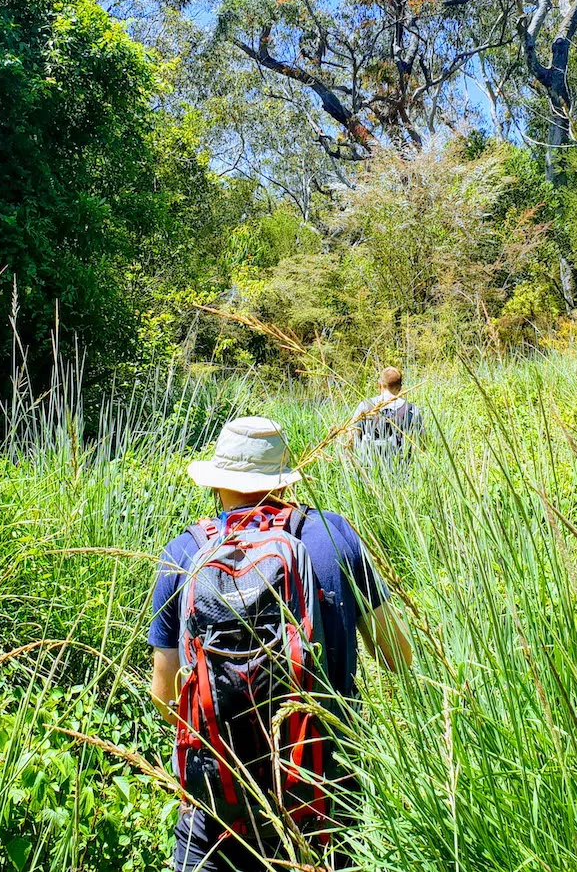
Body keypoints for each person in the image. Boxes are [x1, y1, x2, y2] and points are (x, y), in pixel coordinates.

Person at [149, 416, 412, 872]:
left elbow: (165, 694)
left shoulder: (183, 553)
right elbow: (396, 657)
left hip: (214, 805)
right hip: (320, 793)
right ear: (283, 479)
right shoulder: (334, 536)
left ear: (218, 482)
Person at [347, 366, 422, 463]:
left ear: (379, 385)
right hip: (400, 470)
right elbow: (420, 444)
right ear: (399, 388)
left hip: (368, 467)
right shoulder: (410, 410)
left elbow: (351, 437)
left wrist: (350, 462)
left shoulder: (365, 406)